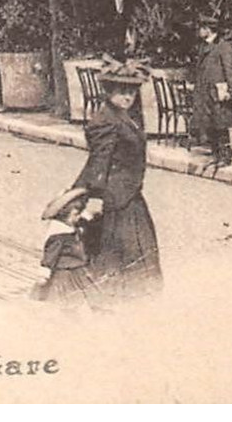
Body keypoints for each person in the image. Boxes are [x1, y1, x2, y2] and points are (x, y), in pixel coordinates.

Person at [71, 80, 163, 301]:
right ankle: (115, 297)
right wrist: (93, 195)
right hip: (116, 196)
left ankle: (127, 295)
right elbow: (99, 161)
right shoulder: (106, 121)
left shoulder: (120, 115)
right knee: (121, 247)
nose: (128, 97)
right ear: (109, 92)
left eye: (132, 92)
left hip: (127, 192)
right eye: (122, 92)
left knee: (131, 247)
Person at [33, 187, 98, 305]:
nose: (78, 218)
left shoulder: (73, 230)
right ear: (65, 214)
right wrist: (44, 275)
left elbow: (85, 220)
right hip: (63, 276)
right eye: (76, 215)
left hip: (76, 274)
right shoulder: (59, 235)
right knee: (61, 301)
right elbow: (50, 256)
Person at [191, 14, 232, 167]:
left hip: (218, 92)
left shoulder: (223, 46)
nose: (199, 31)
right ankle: (215, 154)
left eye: (201, 28)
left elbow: (230, 69)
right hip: (205, 92)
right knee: (209, 123)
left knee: (221, 124)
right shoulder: (203, 46)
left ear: (209, 29)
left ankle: (225, 156)